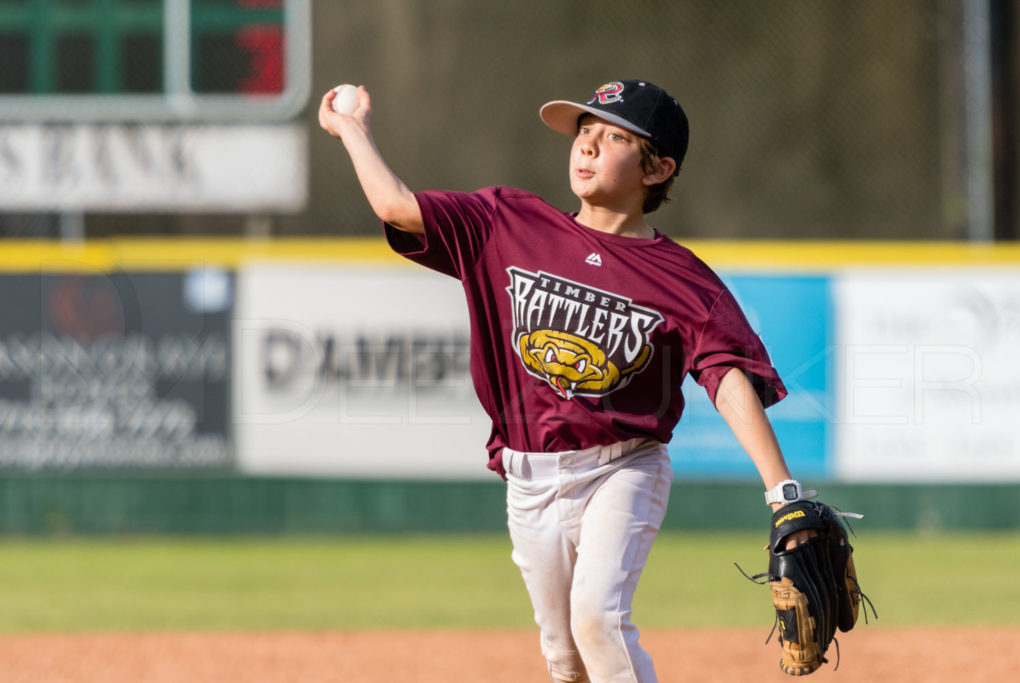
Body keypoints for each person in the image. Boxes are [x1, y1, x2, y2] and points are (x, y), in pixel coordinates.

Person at [319, 78, 811, 683]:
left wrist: (782, 491)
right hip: (528, 479)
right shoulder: (506, 221)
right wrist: (354, 132)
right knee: (564, 657)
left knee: (598, 620)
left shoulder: (683, 279)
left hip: (622, 466)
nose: (587, 147)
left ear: (656, 169)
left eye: (612, 138)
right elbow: (397, 207)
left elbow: (725, 378)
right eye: (583, 133)